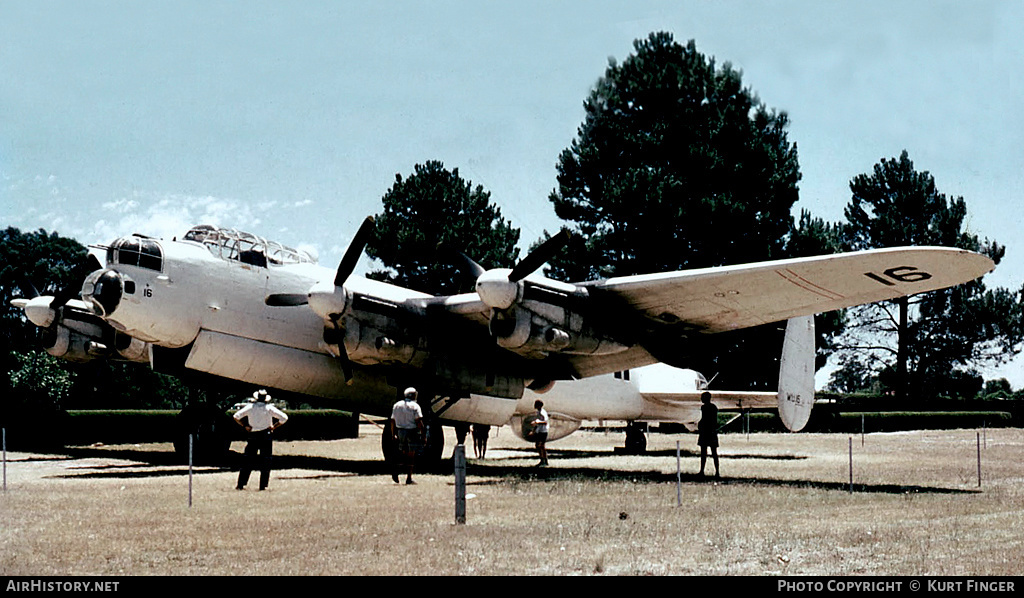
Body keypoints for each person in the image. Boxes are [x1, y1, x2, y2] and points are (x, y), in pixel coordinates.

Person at [234, 389, 289, 491]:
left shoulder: (250, 407)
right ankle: (263, 485)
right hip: (265, 435)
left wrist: (245, 425)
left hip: (253, 435)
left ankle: (241, 484)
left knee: (248, 460)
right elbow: (284, 418)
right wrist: (274, 427)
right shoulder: (269, 408)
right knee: (266, 461)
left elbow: (236, 416)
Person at [389, 387, 425, 484]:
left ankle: (396, 470)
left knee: (402, 453)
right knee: (411, 455)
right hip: (412, 431)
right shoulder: (415, 406)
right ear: (413, 395)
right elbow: (418, 421)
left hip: (400, 431)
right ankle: (409, 477)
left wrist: (393, 434)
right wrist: (423, 434)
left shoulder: (397, 405)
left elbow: (392, 420)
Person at [697, 391, 720, 478]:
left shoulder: (704, 408)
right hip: (711, 432)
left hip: (706, 432)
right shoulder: (714, 407)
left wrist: (700, 426)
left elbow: (704, 420)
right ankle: (716, 472)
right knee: (714, 453)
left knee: (704, 453)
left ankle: (702, 471)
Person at [531, 400, 549, 466]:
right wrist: (533, 430)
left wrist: (537, 422)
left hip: (543, 431)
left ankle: (544, 460)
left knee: (541, 446)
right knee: (538, 446)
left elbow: (545, 422)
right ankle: (542, 459)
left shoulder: (542, 412)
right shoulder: (538, 412)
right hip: (539, 431)